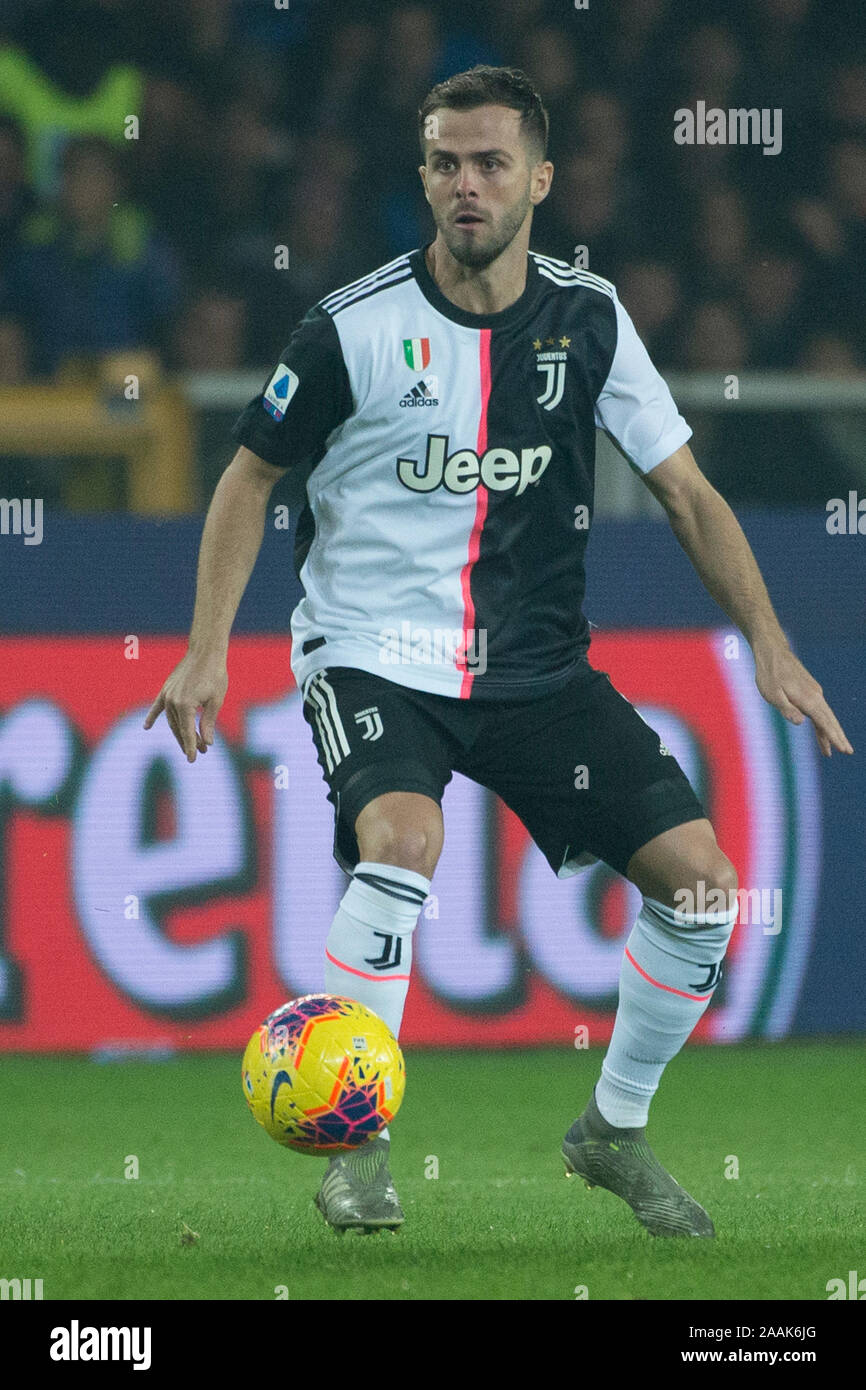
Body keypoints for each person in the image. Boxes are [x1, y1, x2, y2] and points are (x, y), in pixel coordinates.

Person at [145, 66, 852, 1237]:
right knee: (402, 841)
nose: (464, 186)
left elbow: (683, 490)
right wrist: (204, 647)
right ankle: (356, 1149)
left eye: (487, 164)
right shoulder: (349, 327)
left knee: (705, 887)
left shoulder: (587, 319)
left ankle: (610, 1130)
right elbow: (247, 476)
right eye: (442, 164)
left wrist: (771, 647)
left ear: (539, 179)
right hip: (371, 653)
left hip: (534, 669)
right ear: (421, 175)